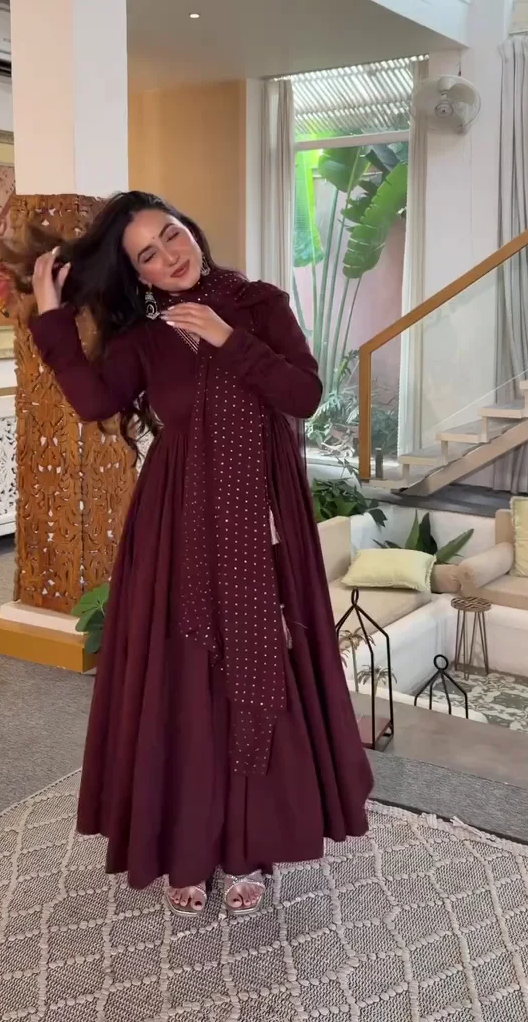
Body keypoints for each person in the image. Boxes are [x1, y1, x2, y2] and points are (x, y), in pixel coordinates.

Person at [23, 191, 372, 917]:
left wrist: (226, 337)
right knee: (184, 686)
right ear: (139, 275)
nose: (170, 256)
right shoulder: (144, 340)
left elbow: (304, 394)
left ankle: (248, 848)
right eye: (148, 255)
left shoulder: (259, 304)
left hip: (258, 526)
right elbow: (94, 402)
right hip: (175, 528)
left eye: (172, 235)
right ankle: (186, 846)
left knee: (255, 679)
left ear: (192, 230)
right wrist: (52, 316)